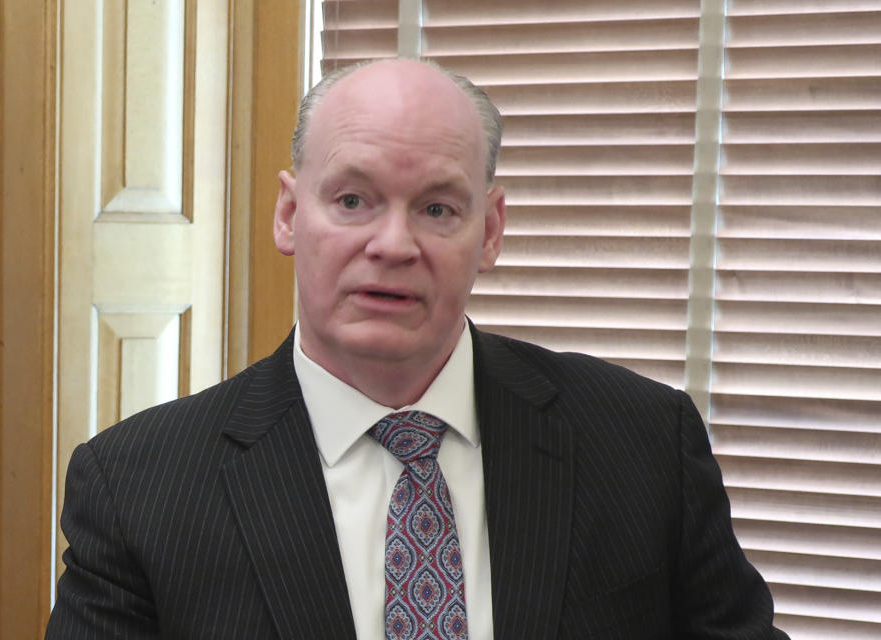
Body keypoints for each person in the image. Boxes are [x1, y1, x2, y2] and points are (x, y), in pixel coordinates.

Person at [46, 58, 788, 639]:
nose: (393, 245)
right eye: (352, 201)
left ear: (490, 231)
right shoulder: (136, 489)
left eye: (437, 208)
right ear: (287, 214)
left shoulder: (643, 441)